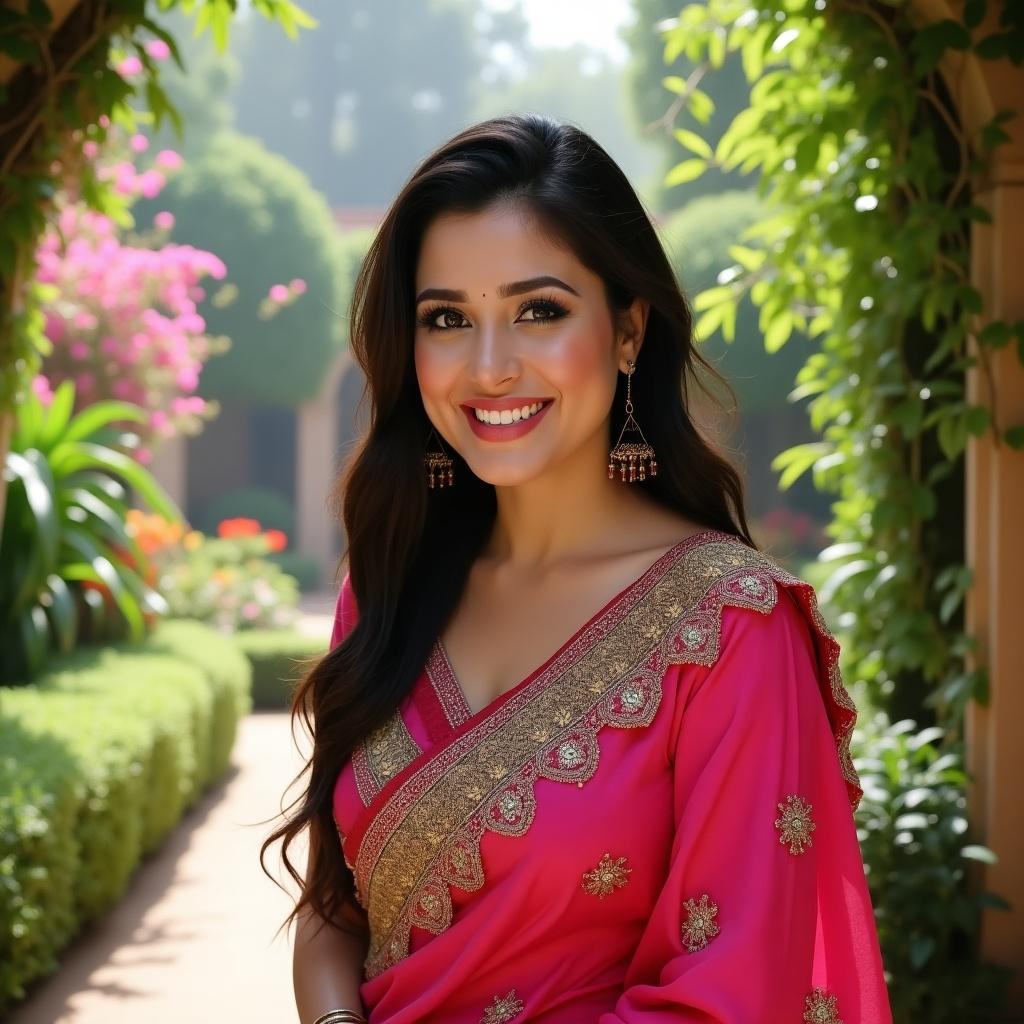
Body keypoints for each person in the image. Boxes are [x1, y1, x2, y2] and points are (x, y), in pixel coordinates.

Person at [262, 113, 893, 1024]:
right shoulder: (395, 576)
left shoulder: (728, 627)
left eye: (539, 311)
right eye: (448, 319)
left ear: (629, 330)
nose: (488, 366)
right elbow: (333, 905)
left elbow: (733, 991)